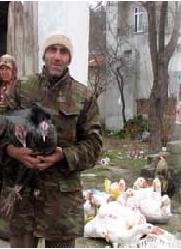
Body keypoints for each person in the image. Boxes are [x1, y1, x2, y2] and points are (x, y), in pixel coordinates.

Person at [0, 32, 103, 247]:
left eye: (63, 51)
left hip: (61, 203)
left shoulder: (83, 96)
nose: (57, 56)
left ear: (69, 58)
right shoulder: (21, 88)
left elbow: (94, 145)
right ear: (44, 55)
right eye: (52, 50)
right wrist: (12, 151)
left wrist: (63, 155)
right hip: (23, 196)